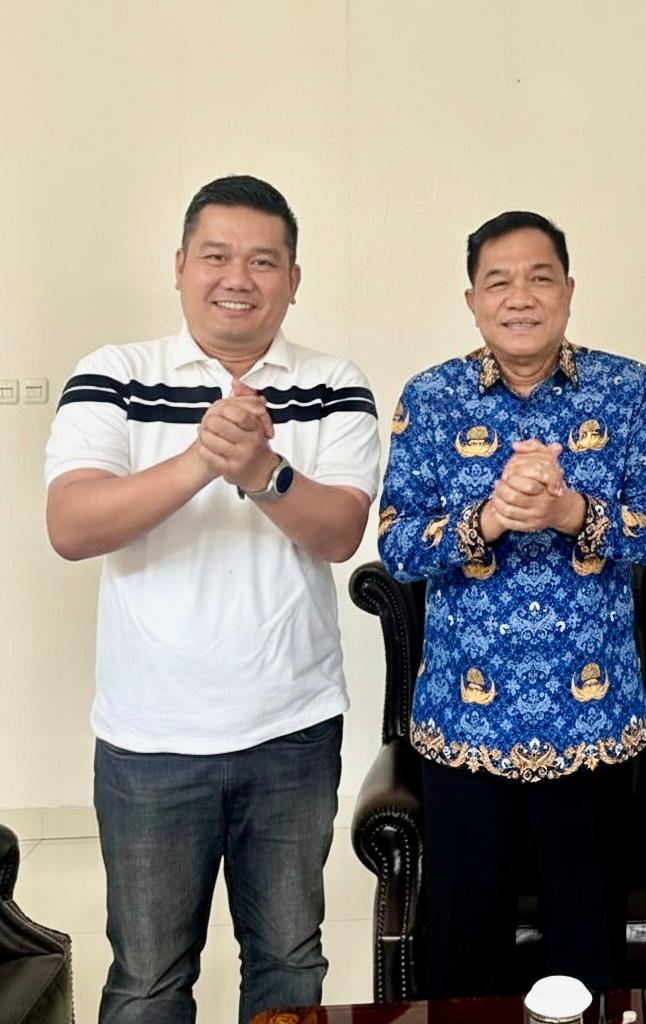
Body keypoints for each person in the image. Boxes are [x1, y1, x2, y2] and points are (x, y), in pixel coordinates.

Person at [44, 175, 380, 1024]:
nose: (238, 278)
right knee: (149, 978)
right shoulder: (114, 374)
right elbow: (72, 525)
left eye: (263, 261)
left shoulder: (334, 383)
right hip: (150, 739)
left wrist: (262, 470)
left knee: (289, 960)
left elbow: (340, 532)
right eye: (217, 256)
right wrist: (203, 458)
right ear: (180, 266)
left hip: (293, 730)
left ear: (293, 279)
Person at [377, 211, 646, 996]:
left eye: (540, 277)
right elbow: (398, 545)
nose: (521, 297)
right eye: (499, 282)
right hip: (466, 723)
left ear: (569, 291)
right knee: (464, 953)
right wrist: (489, 519)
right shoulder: (431, 397)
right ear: (473, 300)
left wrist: (572, 512)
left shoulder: (626, 390)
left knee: (588, 950)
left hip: (591, 719)